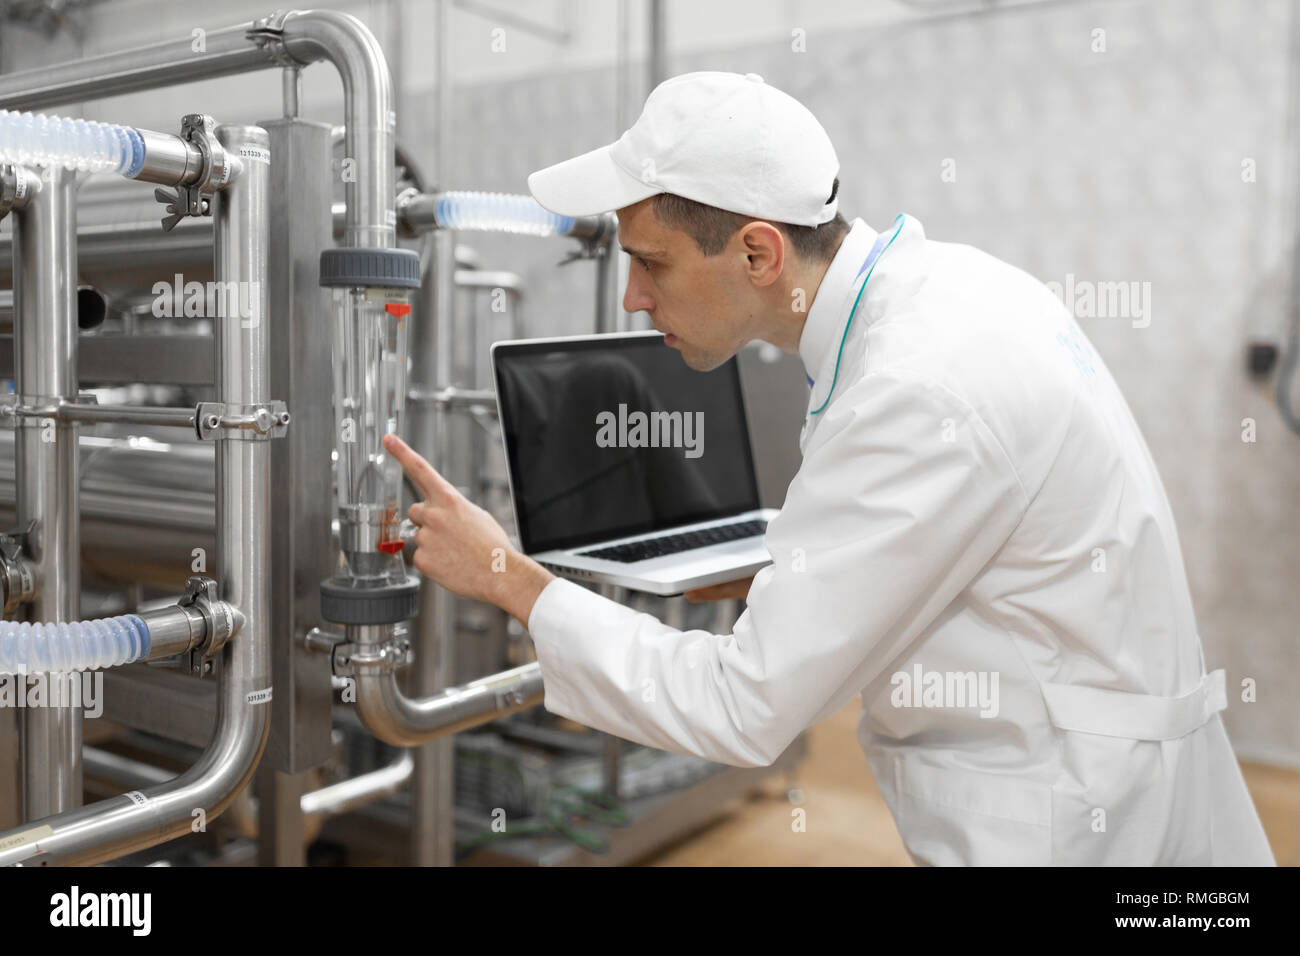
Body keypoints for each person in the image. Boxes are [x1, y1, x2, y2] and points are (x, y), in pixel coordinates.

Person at [382, 71, 1275, 866]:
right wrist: (788, 566)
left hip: (1075, 819)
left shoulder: (916, 386)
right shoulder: (949, 293)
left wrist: (505, 576)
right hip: (1106, 767)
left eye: (650, 262)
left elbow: (742, 709)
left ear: (759, 253)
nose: (633, 297)